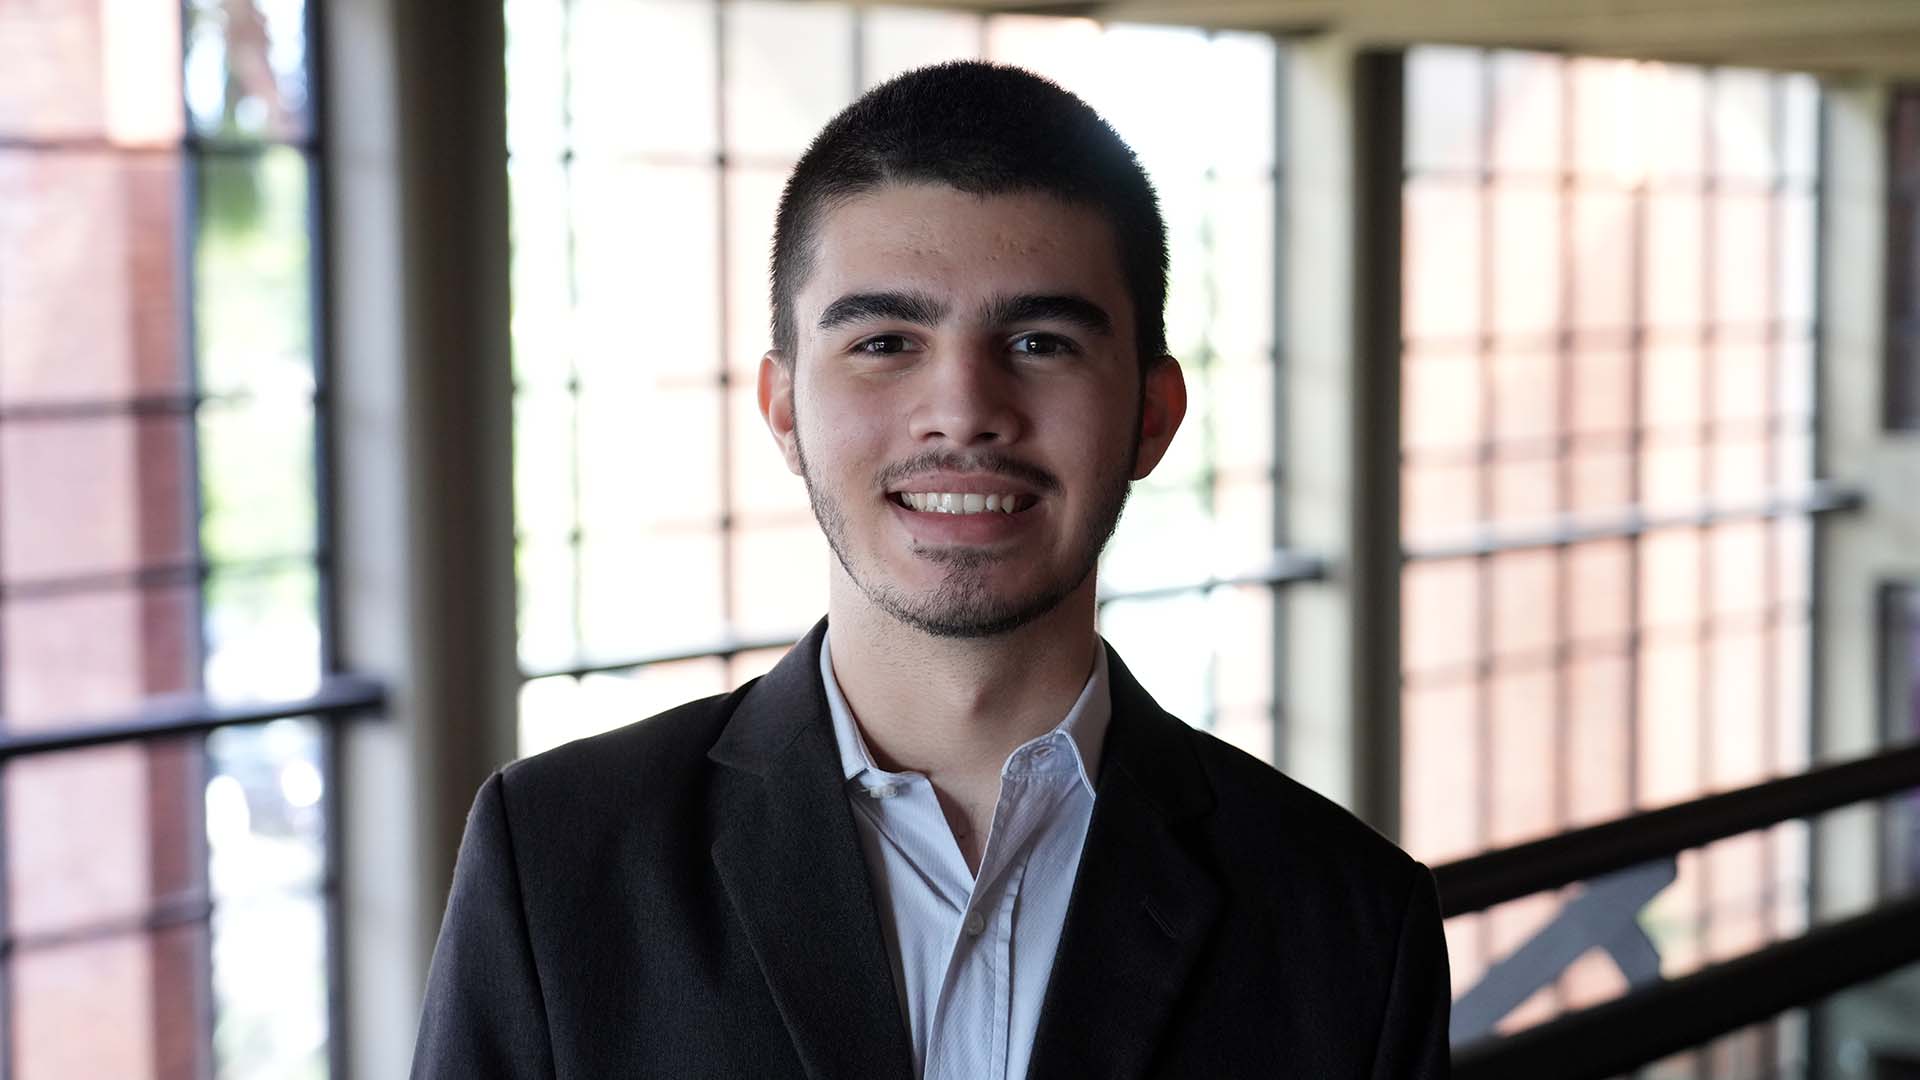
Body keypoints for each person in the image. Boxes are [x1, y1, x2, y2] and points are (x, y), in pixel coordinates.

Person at [413, 60, 1450, 1079]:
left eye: (1040, 342)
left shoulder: (1351, 923)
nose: (963, 409)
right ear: (785, 412)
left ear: (1152, 414)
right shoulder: (556, 860)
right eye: (885, 342)